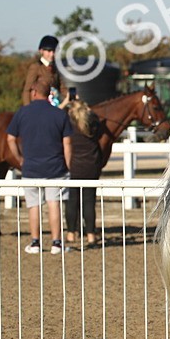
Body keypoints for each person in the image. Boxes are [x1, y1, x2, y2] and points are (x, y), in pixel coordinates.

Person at [7, 78, 73, 254]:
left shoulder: (22, 113)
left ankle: (35, 242)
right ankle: (56, 243)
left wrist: (20, 158)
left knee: (33, 205)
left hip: (31, 168)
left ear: (34, 93)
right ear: (49, 94)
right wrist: (68, 165)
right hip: (56, 168)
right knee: (54, 204)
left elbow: (10, 139)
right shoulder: (59, 114)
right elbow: (67, 144)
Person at [63, 97, 104, 247]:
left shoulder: (69, 124)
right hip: (91, 167)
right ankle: (91, 235)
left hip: (74, 167)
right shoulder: (92, 124)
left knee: (72, 202)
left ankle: (71, 233)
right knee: (89, 202)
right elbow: (98, 124)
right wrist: (89, 110)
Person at [23, 34, 64, 108]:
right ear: (41, 51)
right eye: (49, 51)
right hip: (38, 106)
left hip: (54, 105)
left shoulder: (56, 68)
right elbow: (27, 90)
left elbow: (62, 88)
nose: (52, 54)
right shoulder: (36, 67)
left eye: (54, 51)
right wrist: (28, 109)